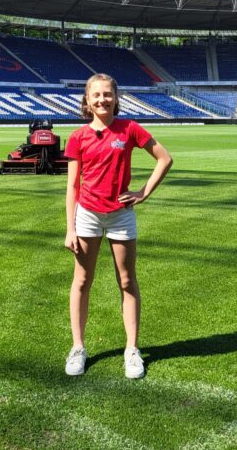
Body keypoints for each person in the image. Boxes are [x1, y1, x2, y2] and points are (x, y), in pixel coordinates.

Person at [63, 73, 173, 378]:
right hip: (87, 215)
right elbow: (72, 186)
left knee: (127, 281)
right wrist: (70, 228)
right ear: (86, 100)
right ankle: (78, 347)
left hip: (121, 214)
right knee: (82, 281)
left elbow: (165, 159)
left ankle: (132, 350)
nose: (102, 100)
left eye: (107, 94)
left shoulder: (130, 129)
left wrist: (144, 192)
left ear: (116, 97)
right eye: (96, 95)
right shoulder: (77, 137)